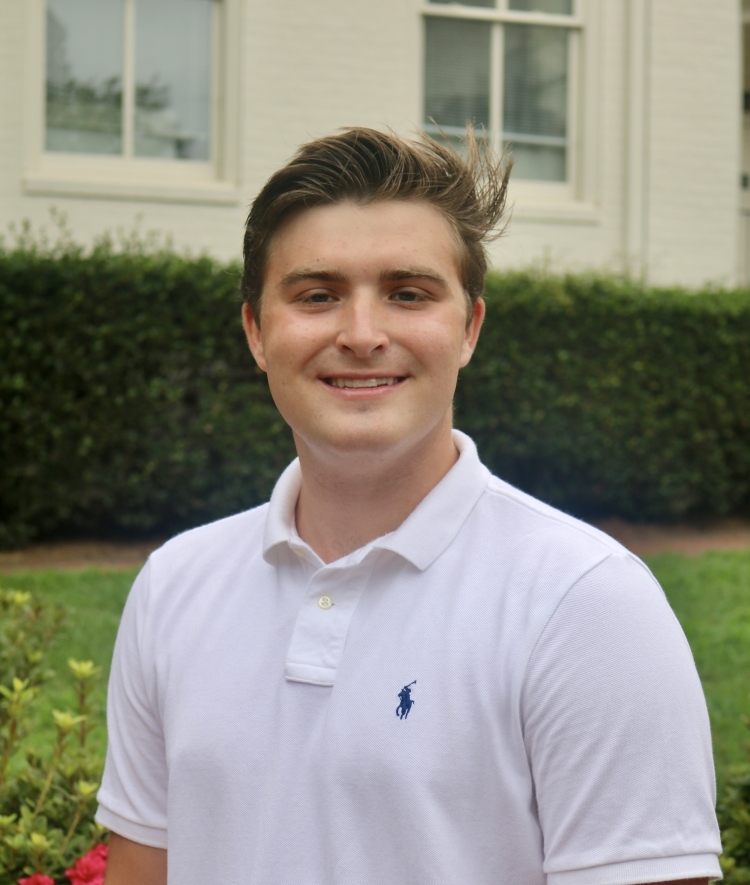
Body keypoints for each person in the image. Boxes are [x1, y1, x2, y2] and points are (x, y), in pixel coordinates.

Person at [97, 128, 722, 885]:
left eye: (408, 293)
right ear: (257, 332)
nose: (362, 335)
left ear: (469, 328)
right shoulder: (173, 586)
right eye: (318, 294)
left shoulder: (586, 603)